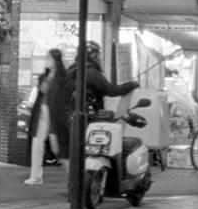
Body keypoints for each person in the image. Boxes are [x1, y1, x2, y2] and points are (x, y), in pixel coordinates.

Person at [55, 41, 139, 182]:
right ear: (93, 55)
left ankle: (75, 186)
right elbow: (111, 91)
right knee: (98, 149)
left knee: (79, 153)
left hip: (73, 118)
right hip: (91, 118)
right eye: (98, 54)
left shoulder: (72, 71)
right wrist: (131, 84)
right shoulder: (92, 73)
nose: (100, 57)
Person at [25, 48, 66, 185]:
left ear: (55, 60)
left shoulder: (62, 77)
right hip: (41, 112)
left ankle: (73, 176)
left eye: (49, 58)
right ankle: (36, 176)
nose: (46, 61)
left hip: (54, 113)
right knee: (37, 142)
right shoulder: (44, 77)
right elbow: (40, 94)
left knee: (57, 147)